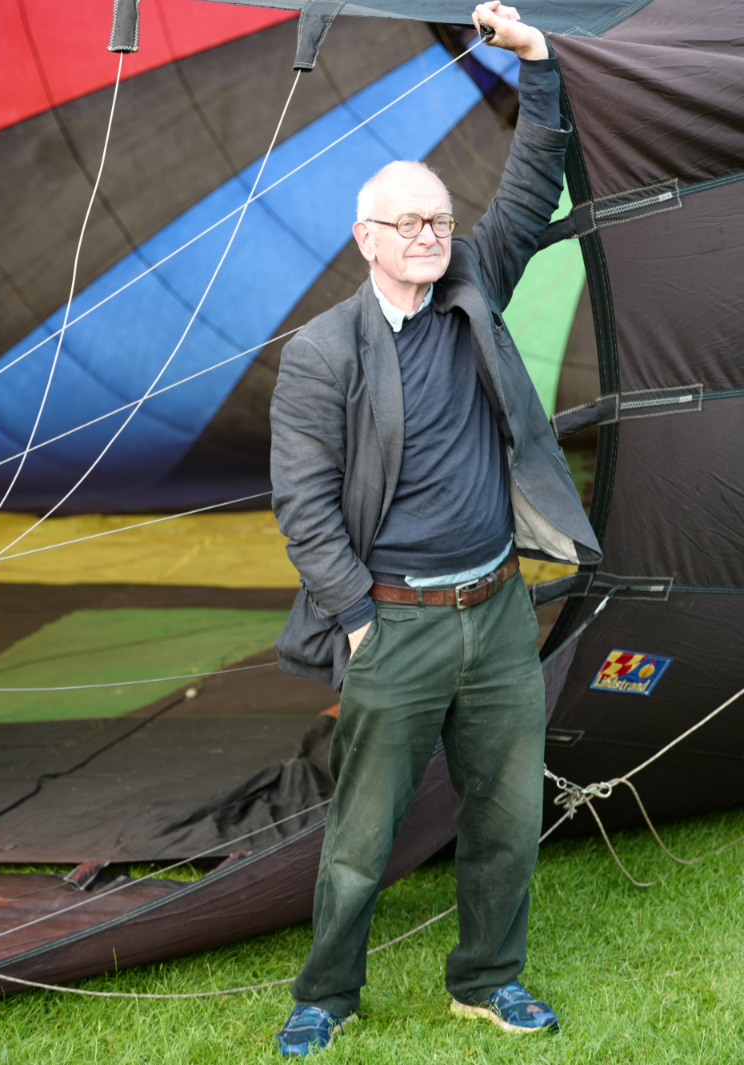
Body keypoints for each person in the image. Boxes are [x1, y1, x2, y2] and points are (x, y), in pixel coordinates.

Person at [269, 2, 601, 1055]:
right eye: (404, 223)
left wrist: (538, 61)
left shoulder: (474, 286)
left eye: (437, 220)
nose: (426, 236)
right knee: (360, 837)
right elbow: (304, 508)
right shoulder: (322, 354)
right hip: (394, 626)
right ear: (363, 237)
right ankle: (324, 995)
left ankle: (487, 981)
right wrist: (359, 623)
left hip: (495, 611)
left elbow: (532, 171)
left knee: (504, 821)